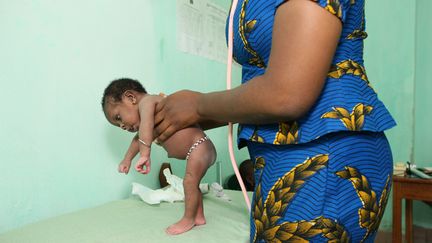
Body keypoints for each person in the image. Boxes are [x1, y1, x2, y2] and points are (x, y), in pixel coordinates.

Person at [153, 0, 396, 242]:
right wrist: (182, 119)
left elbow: (287, 94)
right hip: (284, 156)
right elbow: (273, 89)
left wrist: (196, 106)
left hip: (326, 154)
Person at [101, 78, 217, 235]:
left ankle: (188, 219)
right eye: (117, 125)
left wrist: (145, 154)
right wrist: (127, 159)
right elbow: (139, 138)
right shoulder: (145, 124)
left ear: (131, 98)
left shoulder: (148, 102)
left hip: (200, 146)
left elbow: (146, 127)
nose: (121, 126)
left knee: (189, 182)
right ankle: (198, 217)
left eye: (119, 118)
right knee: (192, 183)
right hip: (197, 149)